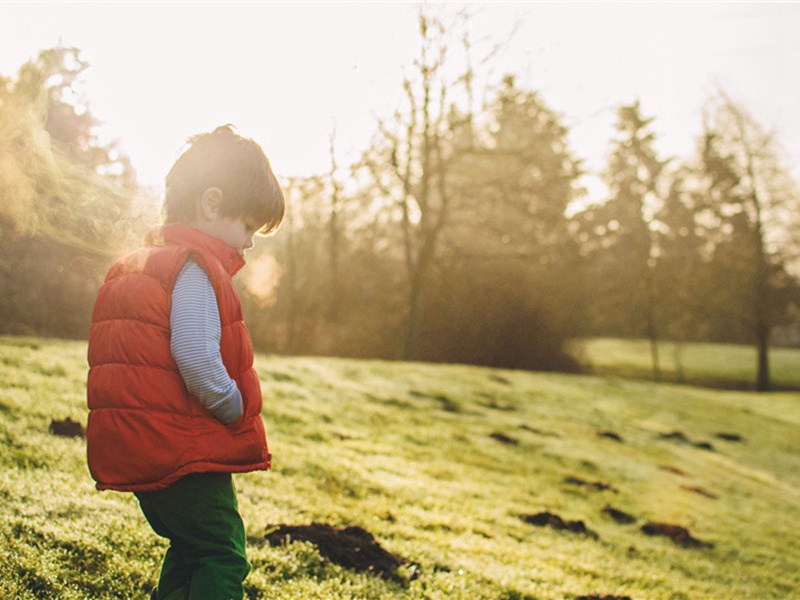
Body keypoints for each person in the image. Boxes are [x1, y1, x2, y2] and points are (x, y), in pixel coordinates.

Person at [86, 125, 285, 600]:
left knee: (192, 551)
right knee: (222, 554)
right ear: (211, 204)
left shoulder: (139, 264)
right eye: (249, 227)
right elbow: (197, 360)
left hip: (142, 449)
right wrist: (234, 406)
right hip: (185, 456)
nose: (250, 243)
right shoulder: (193, 267)